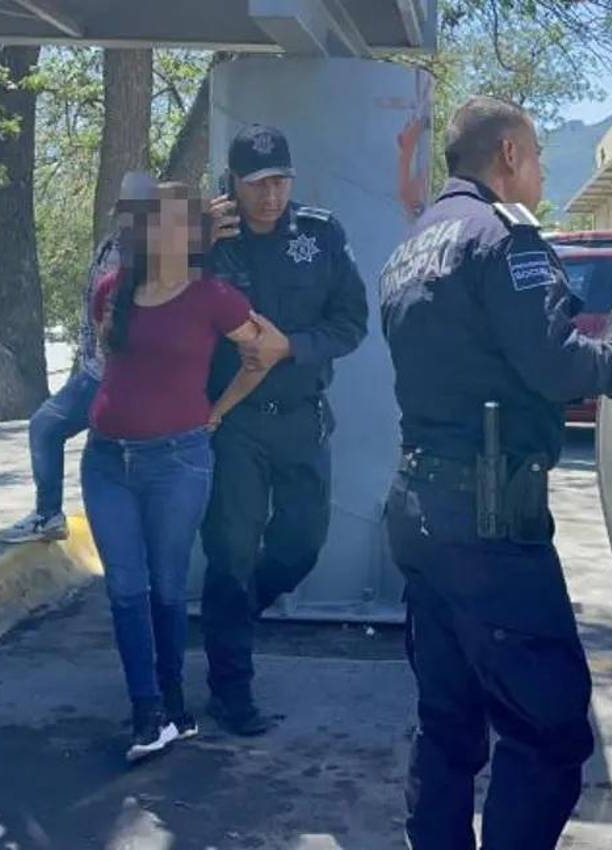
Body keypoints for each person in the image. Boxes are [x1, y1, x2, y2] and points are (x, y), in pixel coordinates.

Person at [379, 96, 612, 850]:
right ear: (508, 157)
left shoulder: (415, 244)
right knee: (550, 731)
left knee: (448, 722)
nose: (541, 171)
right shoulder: (507, 241)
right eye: (536, 154)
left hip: (420, 510)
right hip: (489, 521)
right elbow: (558, 364)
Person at [82, 181, 271, 762]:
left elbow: (260, 353)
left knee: (166, 587)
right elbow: (108, 361)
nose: (166, 233)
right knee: (124, 588)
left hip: (179, 460)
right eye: (155, 221)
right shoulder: (113, 291)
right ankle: (148, 713)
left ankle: (171, 701)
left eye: (178, 222)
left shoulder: (214, 296)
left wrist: (216, 413)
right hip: (107, 458)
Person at [201, 124, 368, 736]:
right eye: (257, 184)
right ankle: (231, 688)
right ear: (233, 184)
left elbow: (351, 322)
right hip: (234, 425)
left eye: (280, 181)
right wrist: (187, 240)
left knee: (301, 546)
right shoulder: (209, 240)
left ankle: (233, 621)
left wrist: (291, 347)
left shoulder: (320, 236)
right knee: (231, 554)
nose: (270, 196)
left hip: (301, 418)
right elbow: (145, 290)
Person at [0, 171, 156, 544]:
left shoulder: (152, 256)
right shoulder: (113, 243)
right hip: (95, 369)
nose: (133, 217)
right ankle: (51, 514)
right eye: (129, 210)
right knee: (51, 429)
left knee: (52, 429)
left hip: (114, 377)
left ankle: (53, 514)